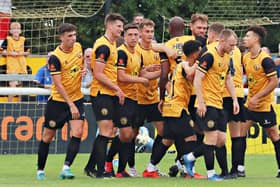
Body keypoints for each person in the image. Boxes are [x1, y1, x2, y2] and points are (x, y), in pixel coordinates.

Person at [183, 29, 239, 181]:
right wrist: (201, 102)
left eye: (235, 45)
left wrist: (234, 99)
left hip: (218, 102)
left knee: (221, 140)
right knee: (212, 138)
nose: (233, 48)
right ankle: (211, 174)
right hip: (207, 103)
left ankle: (190, 156)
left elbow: (227, 78)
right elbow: (197, 79)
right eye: (231, 45)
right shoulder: (209, 55)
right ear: (222, 41)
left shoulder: (228, 56)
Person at [36, 23, 85, 180]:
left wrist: (83, 70)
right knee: (48, 136)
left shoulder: (78, 48)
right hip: (58, 102)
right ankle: (40, 170)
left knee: (77, 132)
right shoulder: (55, 57)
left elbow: (79, 65)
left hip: (77, 98)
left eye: (74, 35)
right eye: (69, 36)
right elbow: (58, 83)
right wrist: (70, 105)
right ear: (61, 37)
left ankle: (66, 168)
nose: (73, 39)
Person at [84, 13, 126, 178]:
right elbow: (99, 74)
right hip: (102, 94)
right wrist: (117, 88)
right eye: (118, 26)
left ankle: (90, 167)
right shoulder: (104, 46)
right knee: (106, 131)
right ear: (109, 26)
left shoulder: (111, 45)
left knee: (109, 131)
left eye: (122, 26)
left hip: (109, 94)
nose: (121, 29)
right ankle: (100, 170)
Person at [239, 25, 280, 178]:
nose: (245, 38)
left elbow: (273, 82)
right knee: (240, 134)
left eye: (247, 36)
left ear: (256, 39)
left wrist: (257, 97)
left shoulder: (265, 59)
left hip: (263, 106)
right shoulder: (245, 57)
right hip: (250, 105)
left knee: (274, 135)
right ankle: (239, 169)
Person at [1, 22, 30, 102]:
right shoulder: (8, 39)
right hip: (12, 65)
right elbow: (2, 51)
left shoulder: (23, 39)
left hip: (21, 65)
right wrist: (11, 53)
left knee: (20, 87)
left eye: (18, 29)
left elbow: (27, 52)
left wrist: (20, 53)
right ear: (10, 31)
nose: (16, 30)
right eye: (14, 29)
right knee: (12, 85)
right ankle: (9, 104)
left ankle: (19, 104)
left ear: (20, 31)